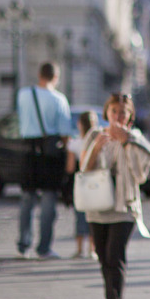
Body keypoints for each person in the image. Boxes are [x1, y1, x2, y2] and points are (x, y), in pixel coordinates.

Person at [81, 93, 150, 299]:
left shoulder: (136, 138)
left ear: (130, 115)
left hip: (124, 206)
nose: (118, 116)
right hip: (98, 206)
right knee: (104, 258)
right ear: (107, 113)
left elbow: (146, 167)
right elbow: (83, 168)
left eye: (123, 112)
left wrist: (127, 141)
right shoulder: (95, 134)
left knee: (116, 256)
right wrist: (96, 149)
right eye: (114, 111)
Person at [16, 61, 71, 260]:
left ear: (39, 74)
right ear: (55, 78)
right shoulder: (59, 99)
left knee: (27, 199)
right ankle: (44, 248)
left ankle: (23, 244)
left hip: (28, 151)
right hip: (50, 153)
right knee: (48, 200)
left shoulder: (23, 94)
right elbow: (65, 133)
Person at [66, 111, 98, 260]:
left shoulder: (75, 143)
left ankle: (79, 249)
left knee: (80, 216)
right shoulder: (97, 141)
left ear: (80, 124)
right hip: (96, 182)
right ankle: (93, 249)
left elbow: (70, 167)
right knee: (94, 216)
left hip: (80, 182)